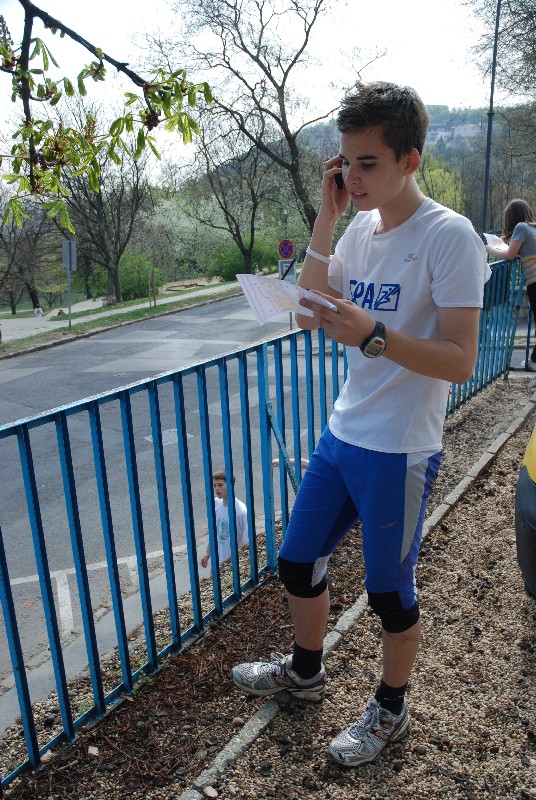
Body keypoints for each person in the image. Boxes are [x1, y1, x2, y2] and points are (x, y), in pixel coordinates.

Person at [232, 81, 490, 768]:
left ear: (410, 160)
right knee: (297, 562)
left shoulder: (448, 236)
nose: (353, 175)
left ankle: (391, 710)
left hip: (400, 448)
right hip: (343, 433)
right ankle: (306, 672)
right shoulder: (358, 226)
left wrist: (374, 335)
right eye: (345, 162)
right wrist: (327, 214)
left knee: (388, 595)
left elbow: (460, 360)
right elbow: (306, 313)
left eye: (368, 162)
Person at [485, 198, 536, 371]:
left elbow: (510, 255)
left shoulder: (521, 227)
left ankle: (534, 362)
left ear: (512, 217)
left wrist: (490, 248)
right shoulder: (532, 228)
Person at [200, 470, 248, 569]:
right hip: (218, 561)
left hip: (235, 563)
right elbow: (215, 532)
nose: (217, 489)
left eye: (220, 485)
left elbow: (249, 541)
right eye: (215, 485)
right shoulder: (215, 504)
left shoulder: (241, 511)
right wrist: (207, 553)